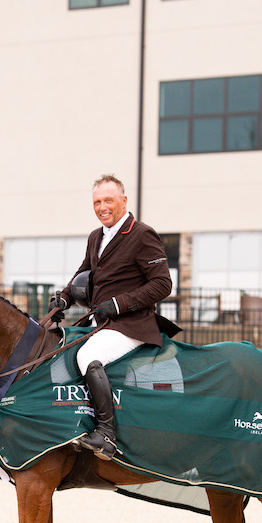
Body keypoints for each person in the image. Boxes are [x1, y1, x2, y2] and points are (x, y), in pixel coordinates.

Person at [49, 174, 174, 460]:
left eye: (108, 200)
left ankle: (106, 434)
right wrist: (65, 298)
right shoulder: (96, 236)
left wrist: (118, 305)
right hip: (101, 323)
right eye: (97, 202)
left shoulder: (142, 234)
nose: (102, 207)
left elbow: (163, 284)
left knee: (87, 357)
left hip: (131, 324)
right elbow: (84, 273)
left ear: (123, 201)